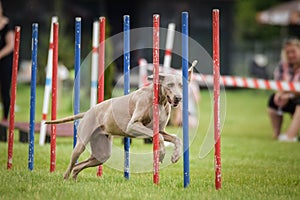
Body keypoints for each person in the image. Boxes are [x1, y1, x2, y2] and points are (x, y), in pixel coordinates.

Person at [267, 38, 300, 142]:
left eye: (293, 52)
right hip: (289, 97)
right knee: (273, 100)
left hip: (296, 98)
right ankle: (277, 134)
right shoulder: (283, 65)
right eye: (288, 52)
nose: (290, 55)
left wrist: (289, 95)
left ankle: (290, 136)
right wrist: (279, 94)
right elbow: (279, 82)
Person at [0, 0, 14, 121]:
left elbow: (11, 45)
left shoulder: (7, 23)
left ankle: (5, 117)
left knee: (5, 89)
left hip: (4, 61)